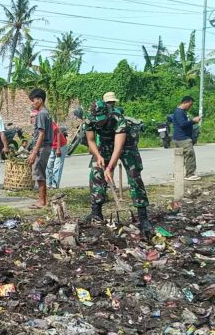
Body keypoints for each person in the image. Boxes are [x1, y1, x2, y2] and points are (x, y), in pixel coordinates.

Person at [84, 92, 153, 234]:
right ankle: (96, 212)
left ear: (107, 114)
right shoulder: (90, 120)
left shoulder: (117, 118)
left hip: (126, 144)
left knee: (134, 176)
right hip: (105, 144)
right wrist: (98, 156)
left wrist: (110, 167)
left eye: (101, 121)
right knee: (96, 172)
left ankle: (143, 217)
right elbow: (91, 140)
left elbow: (118, 147)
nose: (99, 123)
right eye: (96, 121)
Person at [27, 89, 53, 209]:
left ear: (40, 100)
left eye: (33, 100)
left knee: (39, 174)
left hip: (42, 147)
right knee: (39, 173)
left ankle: (42, 202)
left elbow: (41, 134)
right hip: (45, 146)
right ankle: (42, 200)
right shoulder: (45, 112)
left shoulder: (42, 114)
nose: (32, 103)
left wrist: (34, 152)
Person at [171, 96, 201, 181]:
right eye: (190, 105)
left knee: (180, 156)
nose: (190, 107)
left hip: (179, 137)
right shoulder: (179, 112)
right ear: (185, 102)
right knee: (189, 155)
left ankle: (176, 174)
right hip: (183, 138)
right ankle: (190, 174)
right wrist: (193, 121)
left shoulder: (180, 111)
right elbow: (182, 124)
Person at [46, 121, 68, 189]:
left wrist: (58, 148)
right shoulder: (39, 125)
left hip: (60, 146)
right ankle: (49, 184)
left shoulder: (48, 122)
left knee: (57, 167)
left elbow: (58, 132)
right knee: (49, 165)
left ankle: (54, 186)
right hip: (51, 146)